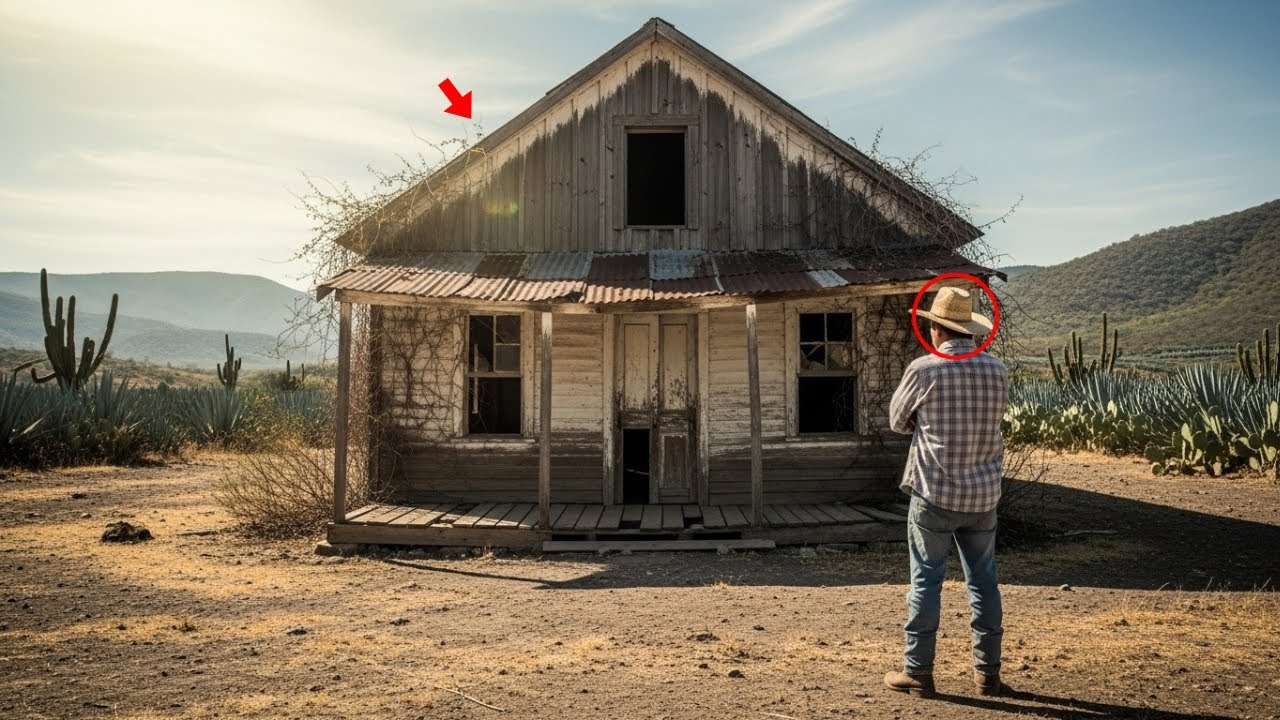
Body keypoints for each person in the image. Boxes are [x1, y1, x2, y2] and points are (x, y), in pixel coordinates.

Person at [883, 285, 1009, 699]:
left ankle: (919, 672)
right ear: (970, 330)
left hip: (934, 492)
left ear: (937, 328)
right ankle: (988, 674)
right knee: (984, 583)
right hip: (983, 495)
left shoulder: (924, 369)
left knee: (926, 583)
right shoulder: (997, 370)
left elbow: (898, 422)